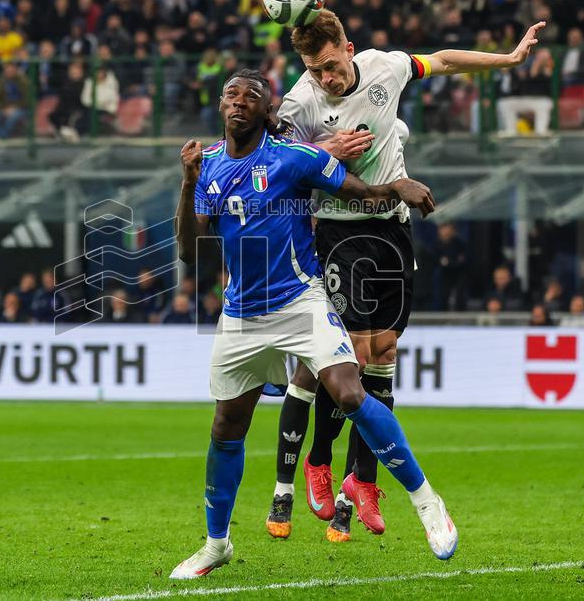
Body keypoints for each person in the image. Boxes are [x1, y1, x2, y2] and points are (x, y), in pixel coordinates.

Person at [267, 9, 544, 542]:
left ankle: (362, 481)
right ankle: (318, 463)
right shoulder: (300, 102)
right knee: (353, 352)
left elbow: (441, 59)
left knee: (386, 347)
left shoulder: (385, 67)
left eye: (329, 65)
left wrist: (508, 57)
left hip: (392, 226)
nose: (325, 78)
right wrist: (323, 151)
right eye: (313, 69)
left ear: (348, 46)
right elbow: (270, 161)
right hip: (337, 228)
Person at [169, 70, 454, 580]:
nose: (239, 101)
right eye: (231, 93)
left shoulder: (294, 157)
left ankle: (427, 501)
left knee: (348, 392)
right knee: (226, 426)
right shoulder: (207, 166)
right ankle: (215, 544)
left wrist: (397, 186)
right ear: (219, 105)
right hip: (241, 315)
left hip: (302, 300)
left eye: (252, 95)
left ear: (267, 110)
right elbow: (191, 250)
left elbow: (362, 193)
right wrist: (188, 182)